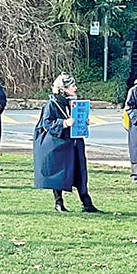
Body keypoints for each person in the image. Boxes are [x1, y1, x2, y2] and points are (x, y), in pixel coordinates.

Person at [33, 74, 99, 213]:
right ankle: (59, 202)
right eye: (72, 85)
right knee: (59, 173)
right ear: (64, 88)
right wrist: (64, 123)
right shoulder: (52, 104)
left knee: (80, 171)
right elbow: (47, 122)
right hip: (60, 143)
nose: (75, 88)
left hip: (75, 143)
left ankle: (86, 203)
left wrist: (83, 122)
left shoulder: (74, 102)